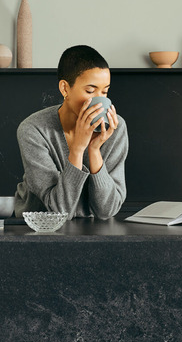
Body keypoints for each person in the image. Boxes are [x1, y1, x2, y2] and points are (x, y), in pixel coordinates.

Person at [14, 45, 128, 219]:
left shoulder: (115, 128)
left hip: (91, 229)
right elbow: (59, 210)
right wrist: (77, 149)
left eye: (105, 91)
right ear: (65, 89)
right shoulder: (33, 129)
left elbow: (107, 211)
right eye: (90, 91)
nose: (99, 100)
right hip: (37, 227)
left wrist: (95, 150)